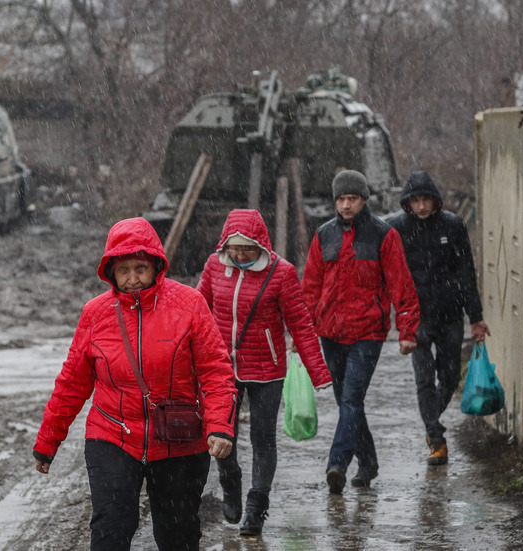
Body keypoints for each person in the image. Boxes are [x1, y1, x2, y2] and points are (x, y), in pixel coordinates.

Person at [32, 216, 237, 551]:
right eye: (123, 270)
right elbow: (72, 381)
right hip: (112, 434)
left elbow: (216, 370)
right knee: (110, 530)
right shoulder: (95, 313)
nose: (132, 279)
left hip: (177, 439)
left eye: (140, 268)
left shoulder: (189, 305)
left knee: (178, 537)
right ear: (110, 271)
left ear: (156, 266)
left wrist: (219, 426)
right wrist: (47, 440)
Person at [195, 209, 333, 536]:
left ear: (261, 244)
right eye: (235, 247)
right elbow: (197, 308)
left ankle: (257, 506)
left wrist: (319, 372)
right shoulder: (215, 266)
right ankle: (231, 482)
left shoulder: (281, 273)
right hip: (221, 367)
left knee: (262, 437)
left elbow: (299, 323)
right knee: (220, 433)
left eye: (247, 248)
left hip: (267, 368)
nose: (240, 254)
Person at [301, 169, 420, 494]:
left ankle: (336, 464)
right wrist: (305, 330)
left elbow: (401, 283)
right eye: (341, 199)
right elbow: (311, 285)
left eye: (352, 198)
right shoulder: (324, 235)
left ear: (364, 200)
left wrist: (407, 328)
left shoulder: (384, 235)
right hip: (330, 331)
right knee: (347, 403)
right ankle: (368, 463)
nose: (346, 205)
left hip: (368, 332)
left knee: (352, 398)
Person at [389, 171, 491, 466]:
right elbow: (388, 275)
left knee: (449, 377)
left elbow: (466, 273)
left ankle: (431, 419)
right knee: (424, 380)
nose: (421, 206)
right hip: (416, 317)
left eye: (426, 200)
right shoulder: (396, 229)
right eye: (415, 200)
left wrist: (476, 317)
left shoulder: (453, 225)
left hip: (450, 314)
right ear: (408, 202)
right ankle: (436, 438)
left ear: (435, 201)